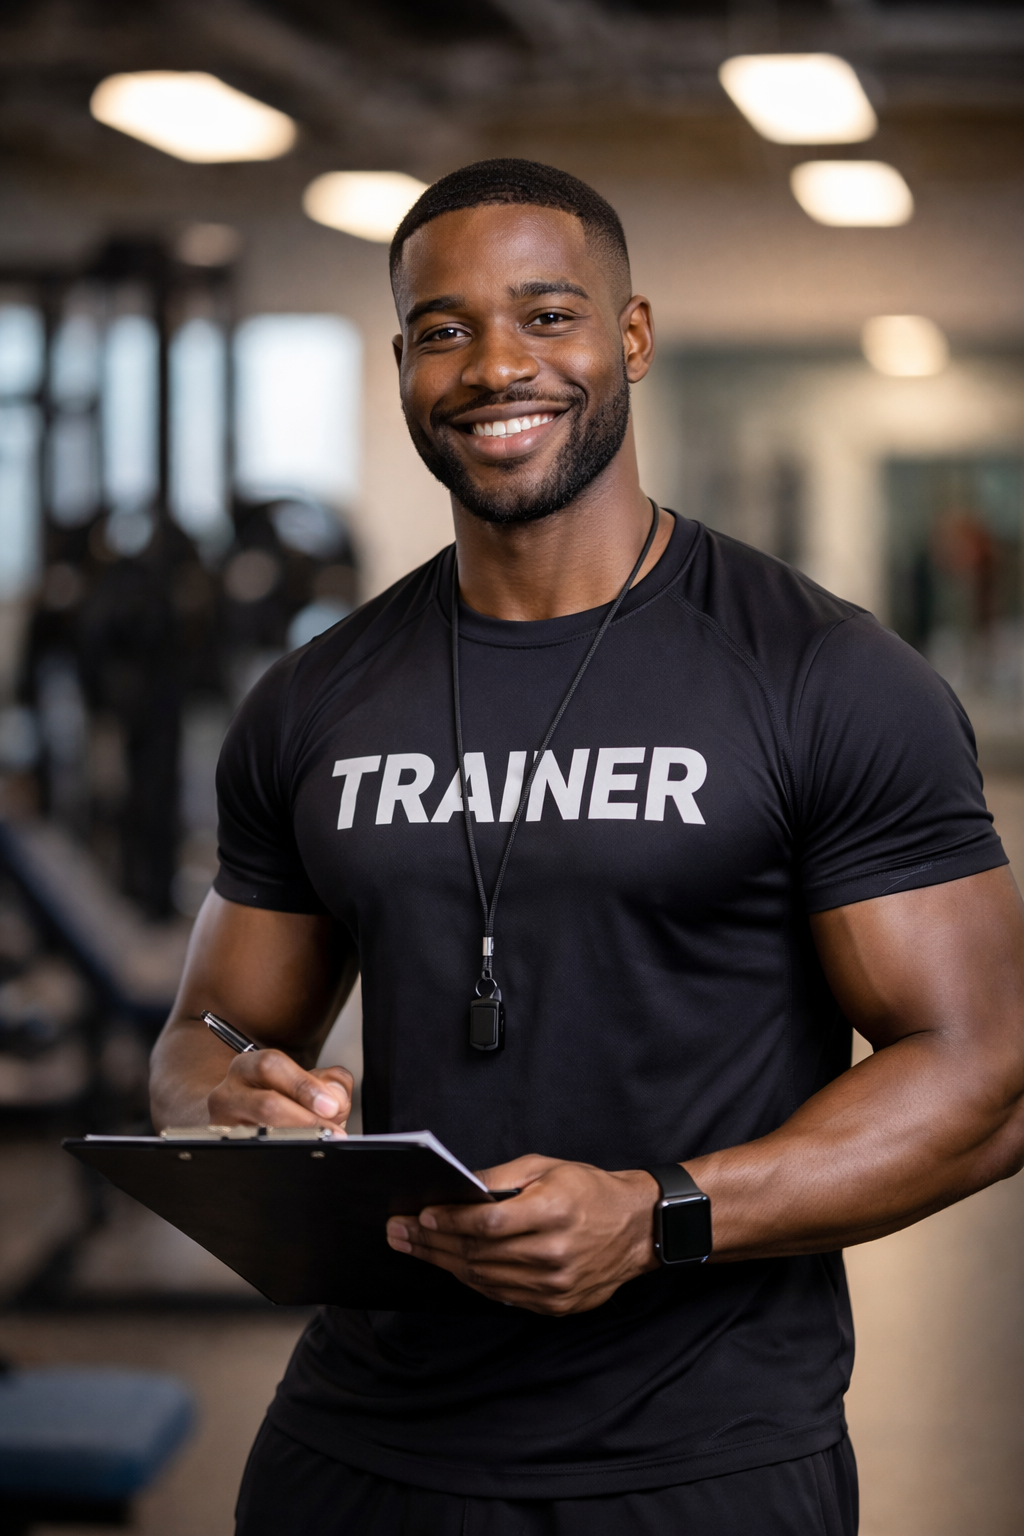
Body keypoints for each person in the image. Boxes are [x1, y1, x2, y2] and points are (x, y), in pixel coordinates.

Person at [150, 160, 1024, 1535]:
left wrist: (656, 1213)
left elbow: (983, 1080)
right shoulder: (314, 699)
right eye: (445, 330)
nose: (497, 364)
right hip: (360, 1445)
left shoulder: (826, 676)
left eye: (547, 316)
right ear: (401, 365)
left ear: (632, 336)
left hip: (698, 1456)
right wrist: (230, 1108)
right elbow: (200, 1036)